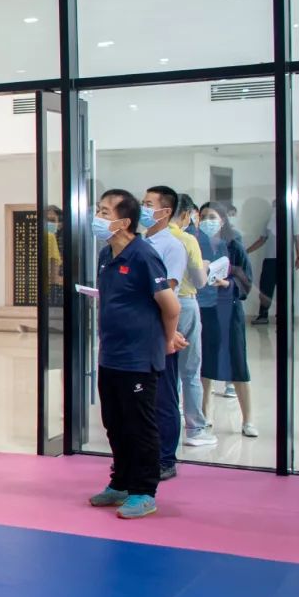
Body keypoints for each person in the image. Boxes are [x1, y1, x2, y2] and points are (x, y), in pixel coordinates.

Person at [87, 189, 185, 520]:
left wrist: (168, 340)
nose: (97, 218)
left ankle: (144, 492)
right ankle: (121, 483)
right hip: (110, 355)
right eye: (98, 211)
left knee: (140, 426)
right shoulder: (106, 254)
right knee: (115, 424)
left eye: (104, 212)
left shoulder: (143, 255)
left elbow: (171, 306)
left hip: (139, 358)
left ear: (124, 222)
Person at [140, 186, 188, 481]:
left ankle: (166, 459)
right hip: (138, 329)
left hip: (160, 328)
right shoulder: (140, 242)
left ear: (165, 211)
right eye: (142, 203)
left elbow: (167, 288)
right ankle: (145, 455)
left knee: (164, 397)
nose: (143, 209)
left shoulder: (172, 246)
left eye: (149, 204)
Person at [197, 202, 257, 437]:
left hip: (229, 312)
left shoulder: (234, 247)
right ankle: (205, 414)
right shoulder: (196, 245)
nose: (207, 221)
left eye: (212, 217)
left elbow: (246, 281)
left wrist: (227, 284)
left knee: (237, 364)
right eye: (203, 216)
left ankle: (248, 419)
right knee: (205, 364)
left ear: (222, 221)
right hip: (204, 310)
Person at [168, 194, 217, 448]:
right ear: (187, 214)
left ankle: (167, 421)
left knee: (165, 369)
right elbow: (199, 281)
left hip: (158, 304)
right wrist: (206, 268)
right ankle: (195, 429)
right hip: (185, 303)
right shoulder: (187, 239)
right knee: (190, 369)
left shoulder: (152, 238)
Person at [248, 199, 299, 325]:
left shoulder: (291, 220)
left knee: (286, 289)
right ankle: (263, 315)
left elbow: (297, 239)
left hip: (286, 260)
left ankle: (285, 316)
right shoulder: (269, 222)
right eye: (274, 205)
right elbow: (262, 240)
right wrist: (246, 251)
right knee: (265, 288)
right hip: (270, 260)